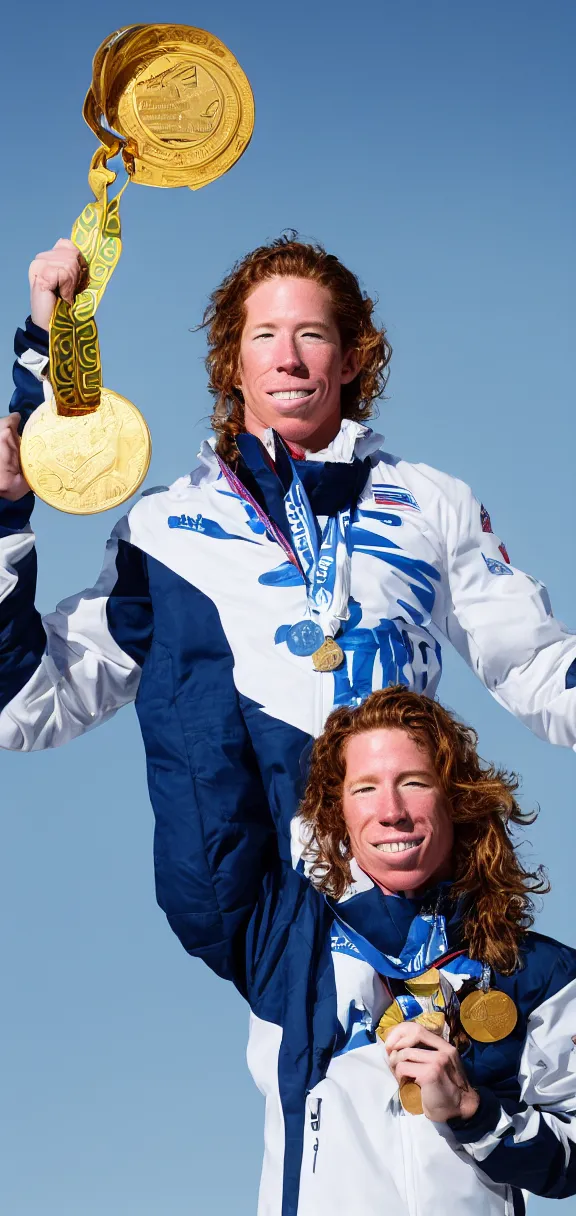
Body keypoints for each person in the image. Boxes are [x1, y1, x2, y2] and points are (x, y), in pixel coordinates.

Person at [1, 235, 575, 859]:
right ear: (231, 363)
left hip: (409, 874)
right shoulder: (165, 530)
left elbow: (532, 665)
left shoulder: (430, 503)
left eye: (313, 335)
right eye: (265, 335)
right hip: (267, 907)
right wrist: (6, 513)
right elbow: (28, 702)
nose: (289, 360)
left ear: (352, 359)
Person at [149, 684, 576, 1215]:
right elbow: (200, 798)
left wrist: (474, 1111)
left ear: (458, 797)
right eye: (365, 788)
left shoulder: (538, 971)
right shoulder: (285, 944)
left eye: (414, 782)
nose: (391, 810)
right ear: (337, 814)